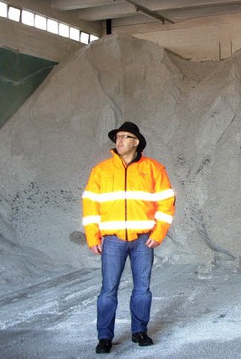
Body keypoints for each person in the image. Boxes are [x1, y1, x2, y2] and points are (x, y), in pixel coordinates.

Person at [82, 121, 175, 354]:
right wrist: (92, 236)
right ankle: (104, 337)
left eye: (124, 137)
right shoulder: (101, 170)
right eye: (117, 137)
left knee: (142, 289)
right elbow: (90, 205)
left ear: (136, 142)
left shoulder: (154, 168)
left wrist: (159, 232)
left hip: (144, 240)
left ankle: (139, 331)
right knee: (108, 291)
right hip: (113, 240)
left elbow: (167, 202)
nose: (119, 141)